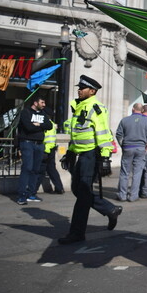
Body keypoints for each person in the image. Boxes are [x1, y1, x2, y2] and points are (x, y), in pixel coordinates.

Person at [58, 75, 122, 244]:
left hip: (91, 156)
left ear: (92, 91)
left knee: (83, 195)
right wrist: (70, 152)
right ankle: (110, 209)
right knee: (78, 190)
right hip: (80, 155)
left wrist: (105, 158)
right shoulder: (79, 107)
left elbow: (103, 133)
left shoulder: (96, 108)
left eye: (83, 88)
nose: (79, 90)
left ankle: (77, 233)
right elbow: (77, 134)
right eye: (79, 87)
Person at [16, 95, 52, 205]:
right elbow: (28, 127)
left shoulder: (43, 114)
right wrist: (41, 126)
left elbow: (49, 125)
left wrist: (38, 124)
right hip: (27, 143)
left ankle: (31, 194)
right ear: (35, 103)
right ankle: (21, 196)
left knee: (36, 169)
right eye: (42, 102)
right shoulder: (25, 112)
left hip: (39, 145)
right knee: (27, 168)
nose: (44, 105)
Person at [115, 103, 147, 202]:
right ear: (141, 110)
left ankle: (122, 195)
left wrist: (122, 145)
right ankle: (133, 196)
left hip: (128, 147)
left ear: (133, 109)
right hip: (141, 148)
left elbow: (119, 134)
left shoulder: (124, 120)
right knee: (137, 173)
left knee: (125, 172)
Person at [34, 107, 65, 195]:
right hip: (51, 149)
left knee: (40, 171)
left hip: (45, 150)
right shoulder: (52, 124)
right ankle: (59, 188)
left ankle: (33, 190)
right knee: (51, 170)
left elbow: (45, 139)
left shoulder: (45, 124)